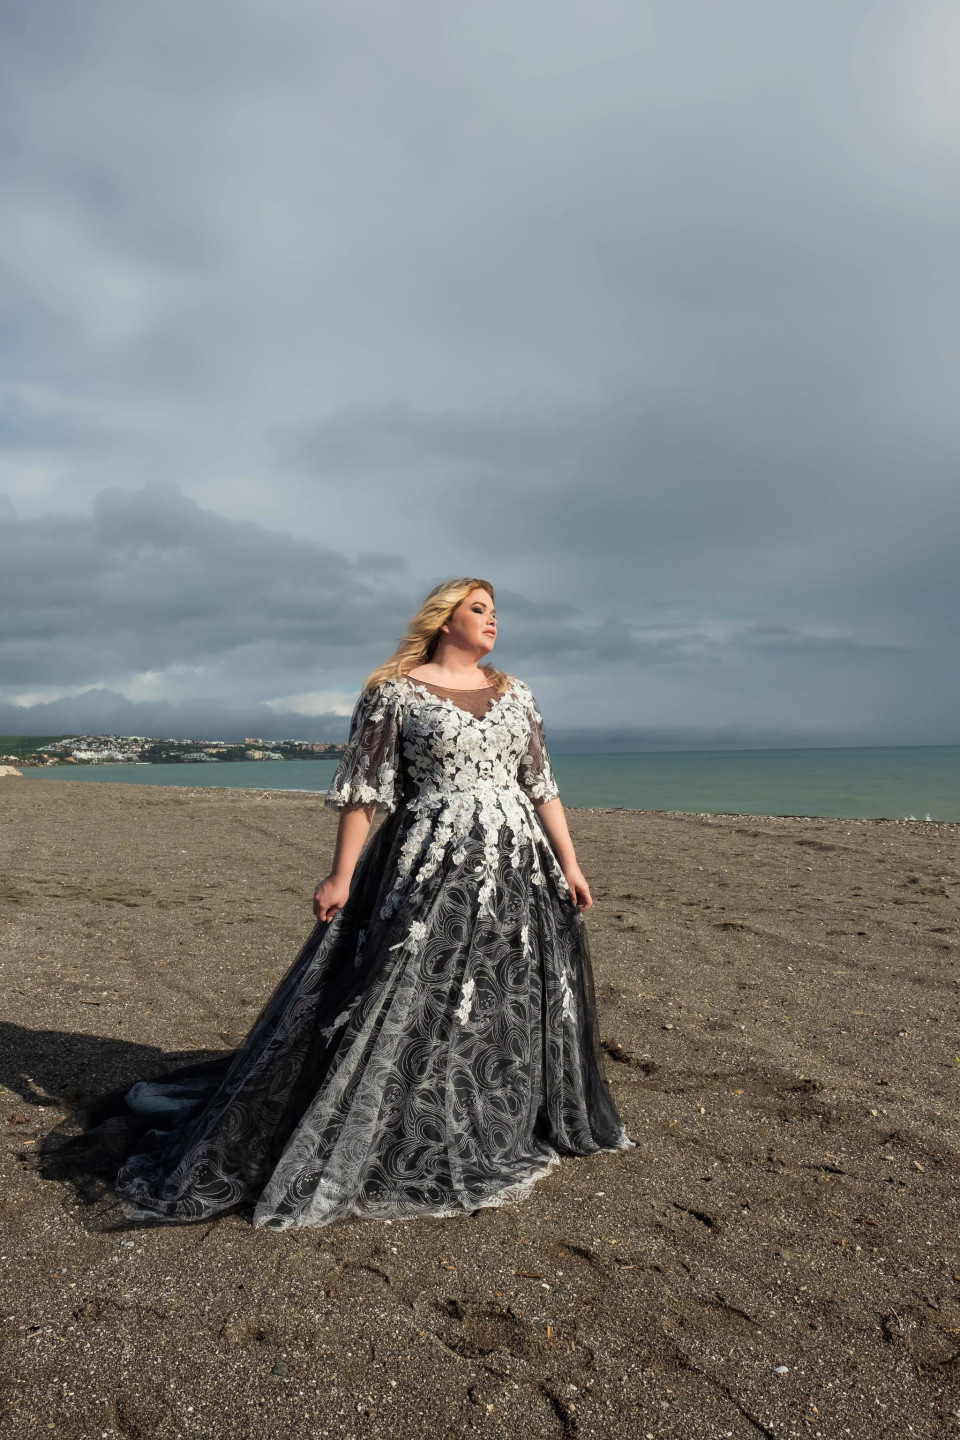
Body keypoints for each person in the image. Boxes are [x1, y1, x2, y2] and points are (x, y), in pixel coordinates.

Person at [55, 578, 631, 1229]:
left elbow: (541, 786)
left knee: (502, 995)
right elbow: (365, 793)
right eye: (478, 609)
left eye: (496, 612)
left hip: (518, 863)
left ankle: (491, 1113)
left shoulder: (516, 693)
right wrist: (340, 876)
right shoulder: (394, 693)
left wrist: (571, 863)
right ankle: (406, 1120)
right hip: (431, 858)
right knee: (411, 987)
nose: (492, 621)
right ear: (445, 620)